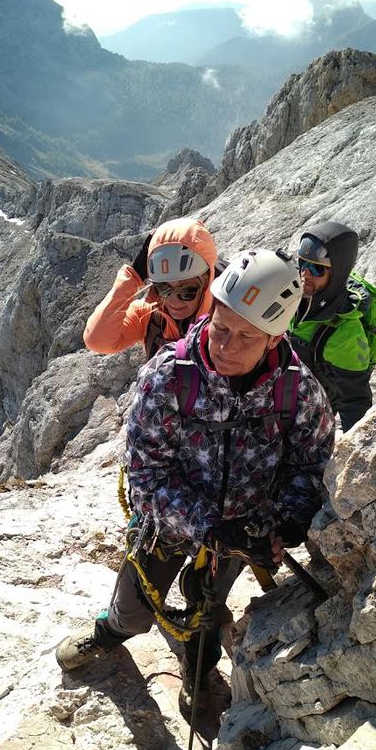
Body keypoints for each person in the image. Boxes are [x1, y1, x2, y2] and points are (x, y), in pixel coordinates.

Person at [57, 248, 335, 715]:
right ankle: (113, 630)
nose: (226, 345)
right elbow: (146, 474)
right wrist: (206, 525)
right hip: (169, 524)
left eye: (246, 336)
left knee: (208, 608)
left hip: (245, 530)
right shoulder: (168, 377)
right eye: (220, 327)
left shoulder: (297, 390)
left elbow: (311, 466)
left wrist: (285, 524)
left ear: (273, 338)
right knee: (137, 600)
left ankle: (198, 668)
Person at [83, 217, 217, 359]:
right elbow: (97, 340)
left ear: (207, 282)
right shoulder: (149, 315)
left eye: (187, 291)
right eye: (164, 289)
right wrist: (132, 277)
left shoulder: (226, 320)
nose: (173, 302)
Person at [288, 221, 376, 431]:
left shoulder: (346, 334)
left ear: (336, 274)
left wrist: (354, 451)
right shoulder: (292, 297)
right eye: (303, 263)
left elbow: (355, 402)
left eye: (316, 269)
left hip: (312, 417)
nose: (305, 274)